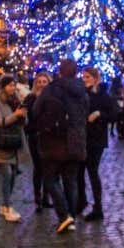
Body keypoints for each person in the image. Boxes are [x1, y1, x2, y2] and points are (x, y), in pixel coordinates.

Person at [33, 59, 87, 233]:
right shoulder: (82, 92)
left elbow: (36, 111)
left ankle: (64, 215)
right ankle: (70, 218)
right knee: (71, 181)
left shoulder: (51, 89)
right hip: (76, 141)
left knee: (50, 179)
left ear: (60, 71)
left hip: (54, 141)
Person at [77, 67, 117, 220]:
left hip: (96, 139)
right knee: (79, 171)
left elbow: (115, 114)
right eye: (84, 77)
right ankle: (81, 201)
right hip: (82, 137)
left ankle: (98, 207)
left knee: (92, 171)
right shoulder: (81, 95)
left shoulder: (103, 96)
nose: (85, 80)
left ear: (95, 79)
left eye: (88, 77)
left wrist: (100, 114)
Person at [0, 75, 26, 222]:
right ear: (3, 86)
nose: (13, 88)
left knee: (12, 177)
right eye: (10, 85)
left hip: (14, 142)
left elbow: (22, 121)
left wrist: (22, 115)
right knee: (7, 175)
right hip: (2, 142)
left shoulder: (16, 101)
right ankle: (7, 205)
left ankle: (6, 205)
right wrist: (15, 115)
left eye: (14, 85)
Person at [22, 72, 50, 211]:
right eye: (39, 82)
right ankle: (37, 198)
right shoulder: (30, 98)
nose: (41, 84)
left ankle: (46, 197)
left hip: (49, 137)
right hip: (34, 136)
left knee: (48, 168)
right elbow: (23, 115)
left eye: (44, 81)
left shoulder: (52, 98)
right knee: (38, 167)